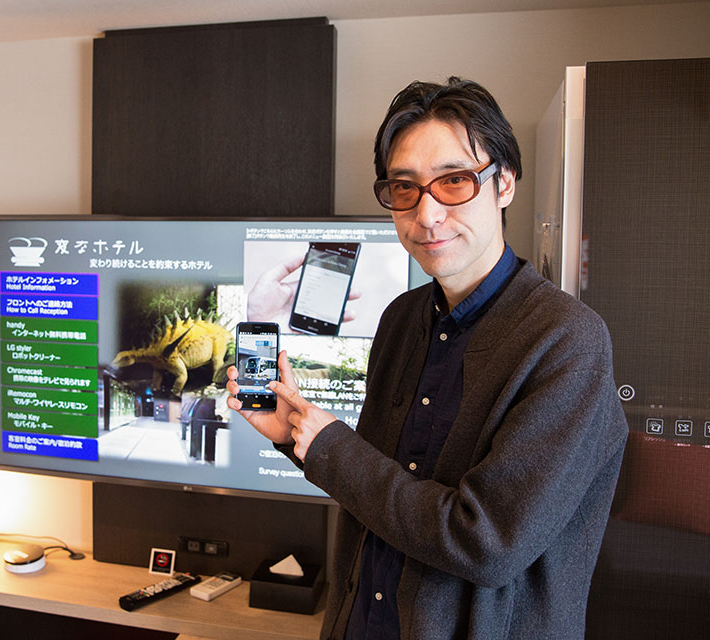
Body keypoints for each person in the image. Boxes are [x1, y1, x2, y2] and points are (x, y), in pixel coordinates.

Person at [227, 77, 628, 640]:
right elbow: (380, 486)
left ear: (504, 183)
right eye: (405, 188)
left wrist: (330, 447)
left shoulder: (566, 340)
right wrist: (295, 433)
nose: (427, 213)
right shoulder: (401, 319)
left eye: (454, 181)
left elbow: (485, 542)